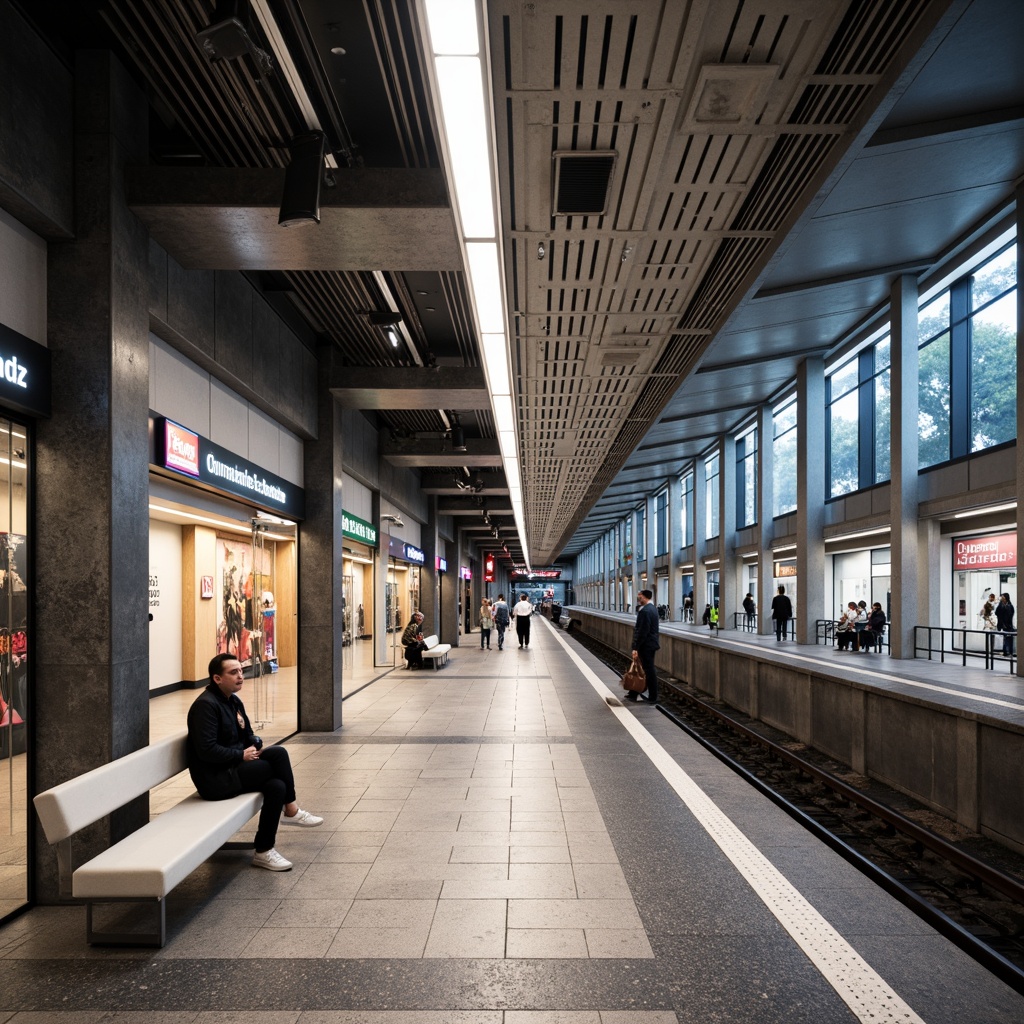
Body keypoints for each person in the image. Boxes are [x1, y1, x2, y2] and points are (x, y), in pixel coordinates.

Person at [187, 654, 323, 872]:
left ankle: (263, 851)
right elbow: (206, 750)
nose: (240, 676)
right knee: (276, 760)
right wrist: (240, 755)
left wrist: (254, 742)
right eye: (233, 672)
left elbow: (247, 733)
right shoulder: (206, 706)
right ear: (217, 678)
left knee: (277, 785)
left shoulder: (233, 700)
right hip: (215, 779)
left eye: (240, 671)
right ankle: (291, 809)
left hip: (233, 768)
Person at [627, 588, 660, 705]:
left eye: (639, 596)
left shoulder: (645, 611)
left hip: (646, 645)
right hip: (650, 644)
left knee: (648, 670)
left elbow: (642, 631)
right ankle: (633, 693)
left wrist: (635, 647)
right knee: (639, 668)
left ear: (645, 597)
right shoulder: (653, 609)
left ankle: (653, 697)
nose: (638, 598)